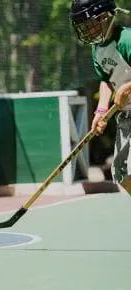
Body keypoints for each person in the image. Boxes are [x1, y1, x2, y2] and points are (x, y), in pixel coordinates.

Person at [70, 0, 131, 192]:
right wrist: (101, 110)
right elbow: (106, 80)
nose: (88, 30)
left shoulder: (126, 40)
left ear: (106, 17)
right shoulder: (97, 49)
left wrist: (127, 87)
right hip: (127, 115)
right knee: (121, 173)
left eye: (91, 23)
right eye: (83, 27)